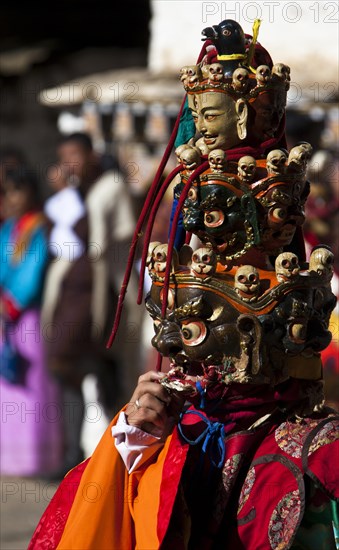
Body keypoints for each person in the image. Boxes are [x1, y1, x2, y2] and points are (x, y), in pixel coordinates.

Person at [29, 20, 338, 549]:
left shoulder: (319, 449)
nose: (177, 346)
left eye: (212, 115)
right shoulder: (166, 431)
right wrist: (135, 435)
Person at [42, 132, 141, 477]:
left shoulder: (110, 186)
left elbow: (117, 243)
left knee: (85, 361)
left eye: (75, 154)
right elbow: (59, 236)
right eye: (63, 156)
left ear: (91, 155)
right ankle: (77, 451)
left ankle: (109, 454)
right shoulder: (71, 195)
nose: (70, 163)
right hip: (74, 292)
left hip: (100, 294)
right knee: (68, 363)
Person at [0, 168, 62, 476]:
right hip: (6, 318)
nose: (11, 199)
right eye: (8, 192)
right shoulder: (8, 228)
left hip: (26, 318)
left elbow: (32, 271)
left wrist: (10, 302)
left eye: (16, 191)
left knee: (32, 385)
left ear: (30, 193)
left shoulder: (38, 228)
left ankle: (37, 457)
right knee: (9, 389)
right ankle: (10, 456)